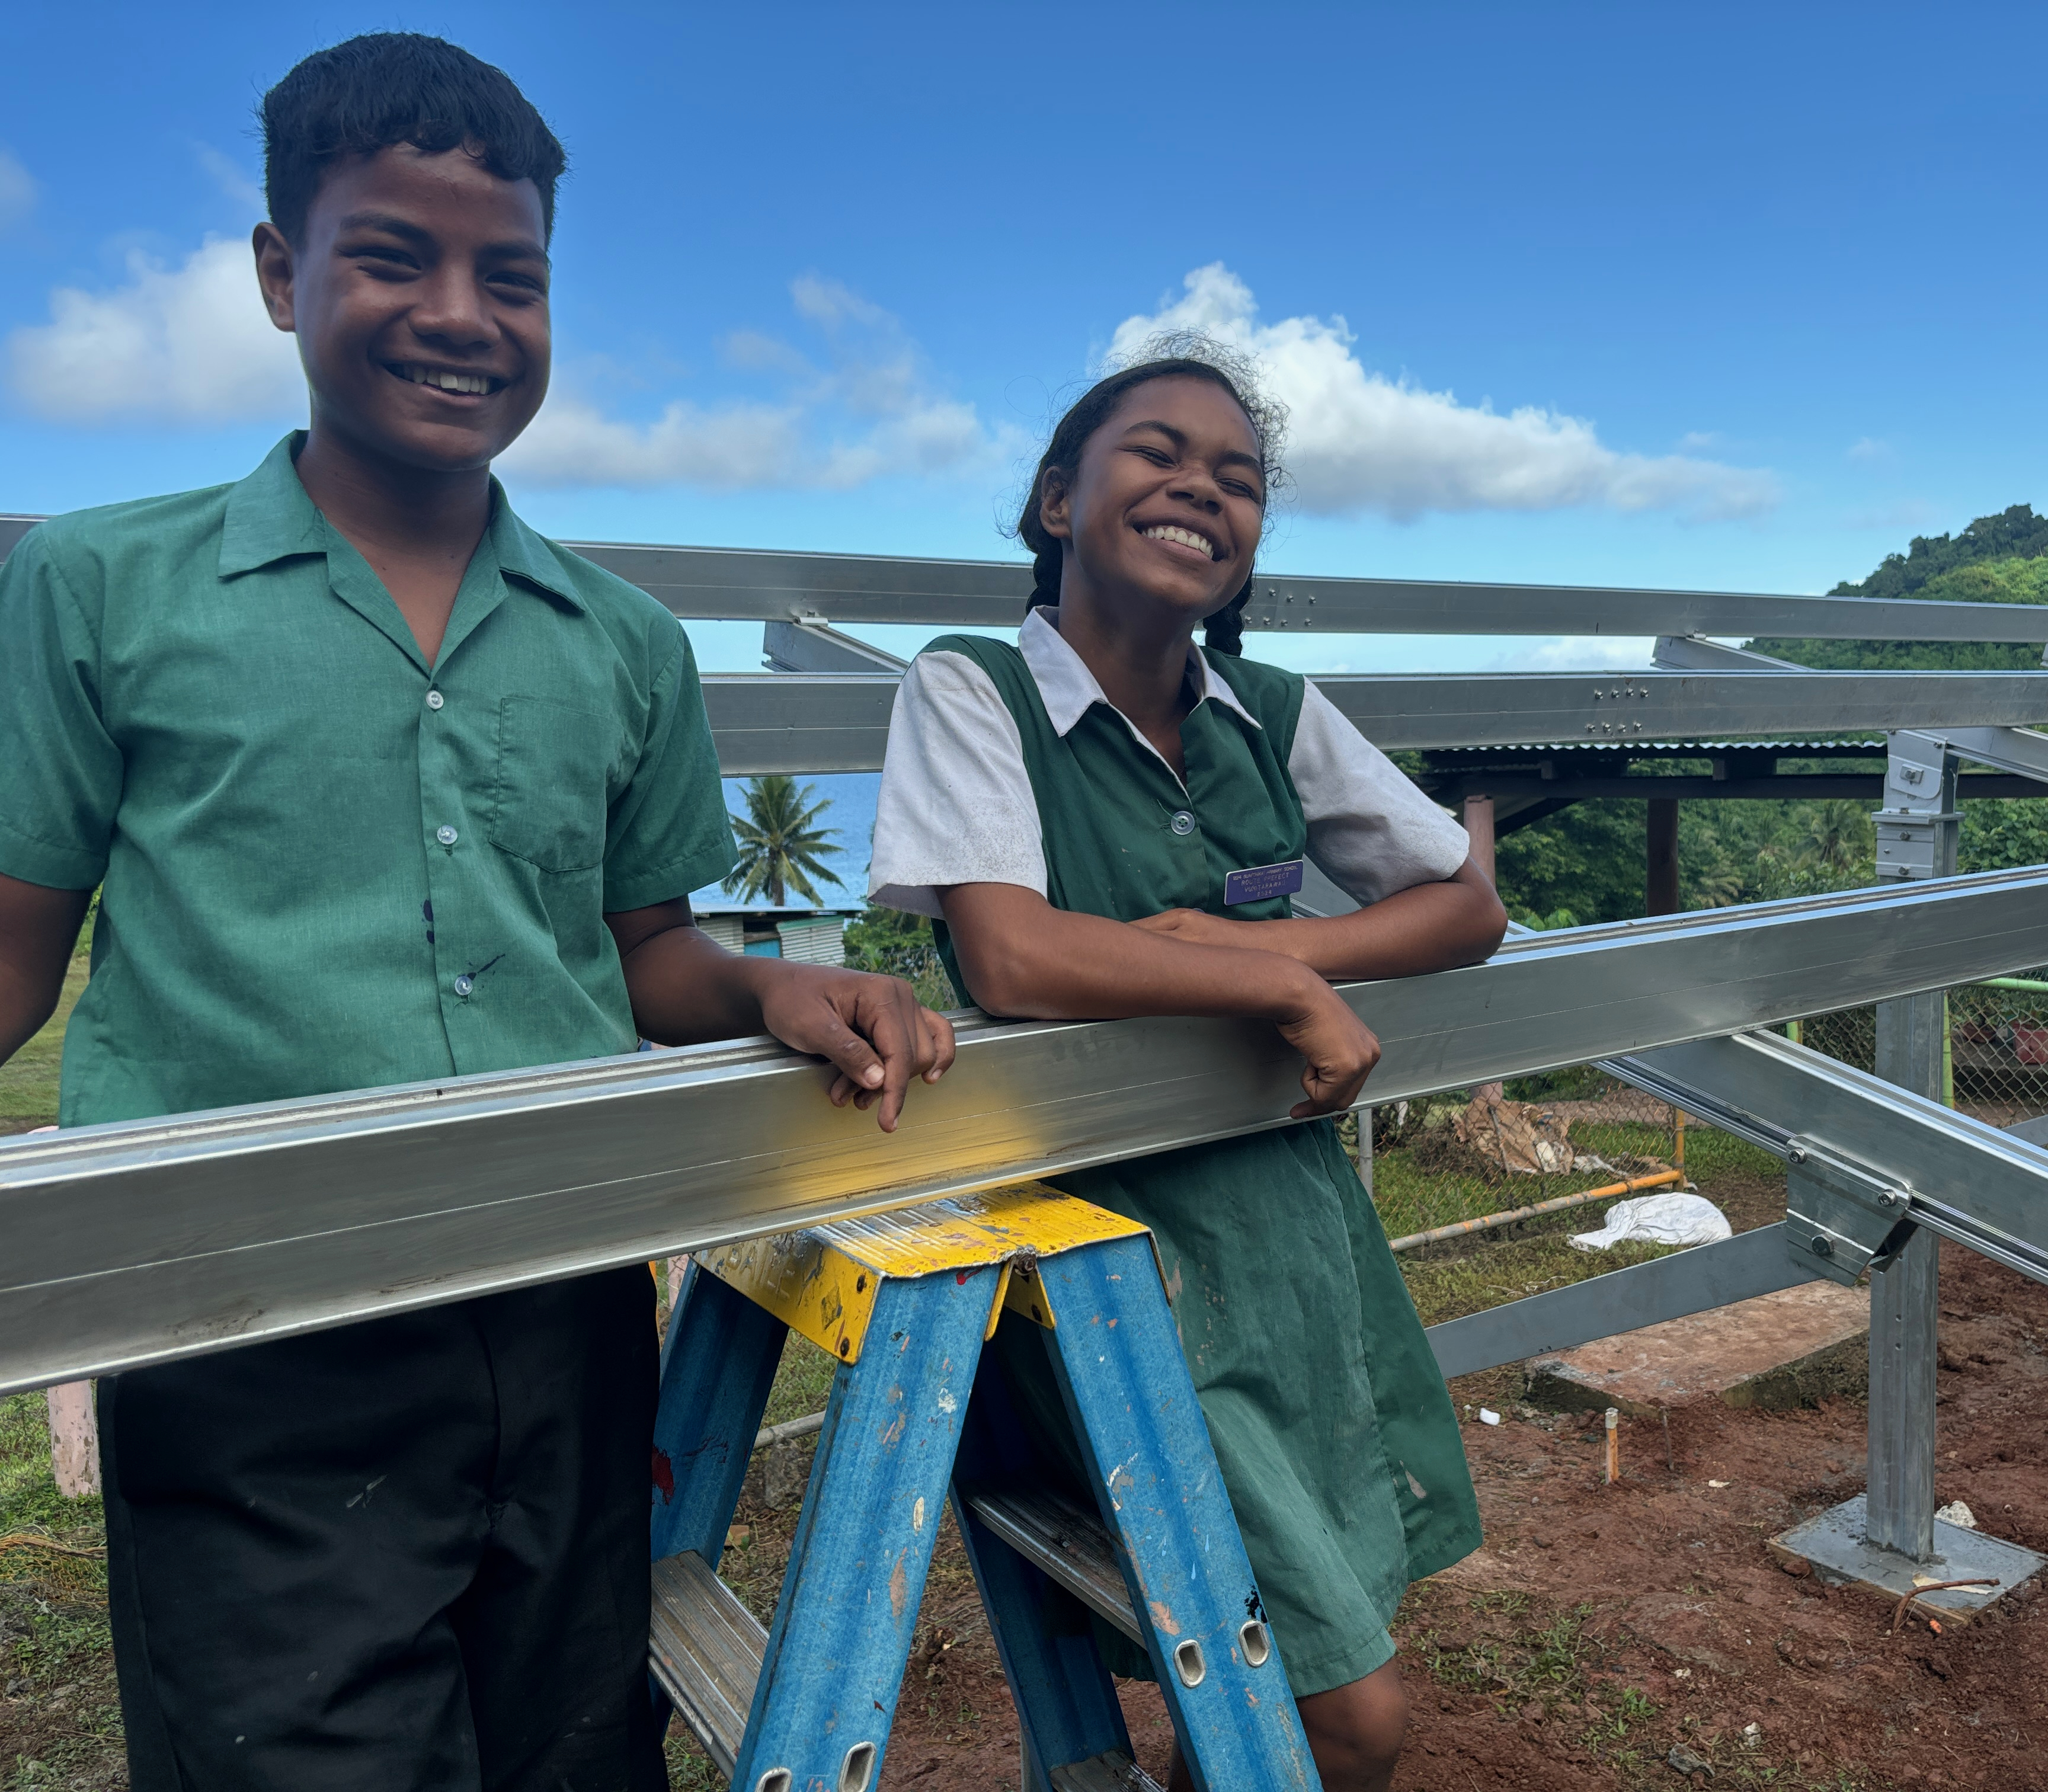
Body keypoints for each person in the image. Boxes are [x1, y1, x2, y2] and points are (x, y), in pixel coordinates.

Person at [0, 34, 952, 1792]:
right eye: (391, 256)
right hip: (244, 1321)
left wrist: (768, 995)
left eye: (511, 277)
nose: (461, 313)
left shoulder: (620, 642)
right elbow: (13, 954)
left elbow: (642, 950)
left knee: (575, 1742)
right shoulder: (97, 588)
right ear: (283, 273)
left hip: (563, 1295)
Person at [867, 341, 1510, 1792]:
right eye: (1156, 454)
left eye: (1241, 480)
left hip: (1295, 1244)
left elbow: (1467, 901)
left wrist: (1301, 965)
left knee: (1284, 1641)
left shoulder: (1271, 713)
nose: (1200, 492)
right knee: (1352, 1719)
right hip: (1115, 1267)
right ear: (1054, 501)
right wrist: (1264, 972)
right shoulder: (974, 691)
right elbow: (1013, 956)